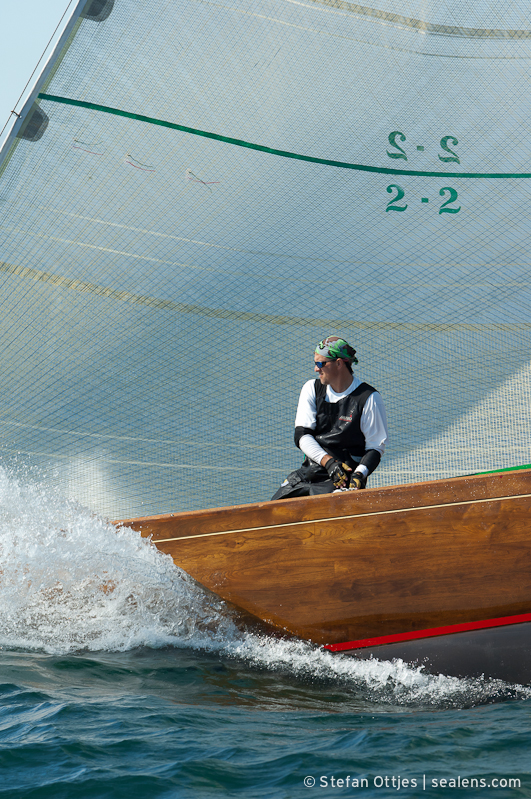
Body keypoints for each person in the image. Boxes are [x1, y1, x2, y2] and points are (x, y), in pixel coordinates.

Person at [271, 335, 388, 500]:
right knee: (272, 510)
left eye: (320, 364)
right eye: (315, 363)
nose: (316, 369)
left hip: (341, 480)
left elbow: (375, 447)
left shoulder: (369, 398)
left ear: (339, 363)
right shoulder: (311, 388)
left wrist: (359, 475)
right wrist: (329, 463)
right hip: (309, 474)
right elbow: (302, 436)